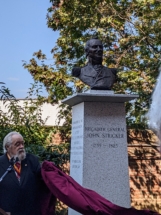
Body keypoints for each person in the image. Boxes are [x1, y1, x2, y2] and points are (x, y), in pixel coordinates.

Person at [0, 131, 43, 215]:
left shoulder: (32, 160)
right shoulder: (0, 163)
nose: (21, 147)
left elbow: (42, 183)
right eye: (17, 144)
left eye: (22, 143)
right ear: (8, 147)